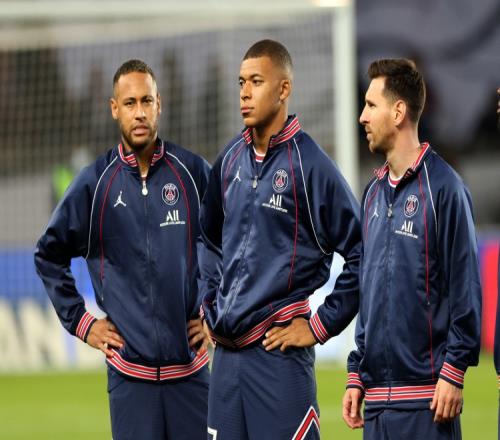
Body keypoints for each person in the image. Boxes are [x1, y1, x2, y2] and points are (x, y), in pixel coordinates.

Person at [34, 59, 211, 440]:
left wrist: (215, 312)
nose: (140, 112)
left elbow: (235, 244)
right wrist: (83, 324)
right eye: (130, 103)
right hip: (130, 383)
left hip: (193, 377)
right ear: (115, 109)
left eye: (147, 101)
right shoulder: (95, 183)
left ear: (159, 104)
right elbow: (48, 255)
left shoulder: (193, 173)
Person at [199, 39, 362, 439]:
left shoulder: (312, 166)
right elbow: (207, 239)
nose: (245, 92)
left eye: (256, 81)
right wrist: (208, 301)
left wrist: (319, 326)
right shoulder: (229, 160)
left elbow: (363, 254)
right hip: (226, 365)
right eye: (241, 83)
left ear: (284, 88)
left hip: (279, 359)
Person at [342, 58, 482, 439]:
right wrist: (357, 371)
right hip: (377, 408)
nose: (362, 117)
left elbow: (466, 287)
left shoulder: (445, 189)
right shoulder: (371, 194)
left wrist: (454, 370)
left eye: (371, 105)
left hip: (428, 403)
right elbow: (369, 292)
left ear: (398, 112)